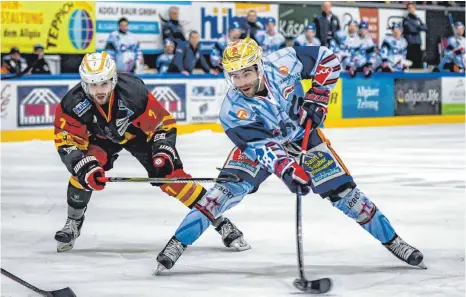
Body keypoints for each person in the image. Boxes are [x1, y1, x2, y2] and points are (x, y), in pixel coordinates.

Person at [154, 37, 426, 274]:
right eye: (234, 76)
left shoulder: (285, 61)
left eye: (246, 74)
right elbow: (261, 148)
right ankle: (177, 243)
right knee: (221, 195)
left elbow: (327, 58)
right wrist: (286, 170)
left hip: (303, 137)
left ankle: (393, 241)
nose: (241, 82)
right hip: (265, 146)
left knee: (348, 196)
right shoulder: (231, 111)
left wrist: (318, 94)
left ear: (259, 66)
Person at [53, 52, 248, 253]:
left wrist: (163, 149)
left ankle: (220, 221)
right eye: (93, 85)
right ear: (84, 84)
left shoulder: (133, 93)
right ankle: (73, 222)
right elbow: (67, 141)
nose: (99, 91)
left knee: (171, 177)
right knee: (83, 173)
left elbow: (163, 124)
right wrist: (83, 164)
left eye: (103, 84)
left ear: (114, 79)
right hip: (101, 139)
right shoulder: (72, 104)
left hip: (139, 135)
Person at [402, 3, 427, 69]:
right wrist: (419, 27)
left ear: (414, 8)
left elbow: (425, 28)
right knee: (410, 63)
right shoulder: (406, 19)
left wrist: (417, 27)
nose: (411, 9)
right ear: (408, 9)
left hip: (417, 43)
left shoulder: (417, 18)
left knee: (418, 62)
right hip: (410, 44)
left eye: (412, 7)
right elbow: (411, 29)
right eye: (409, 8)